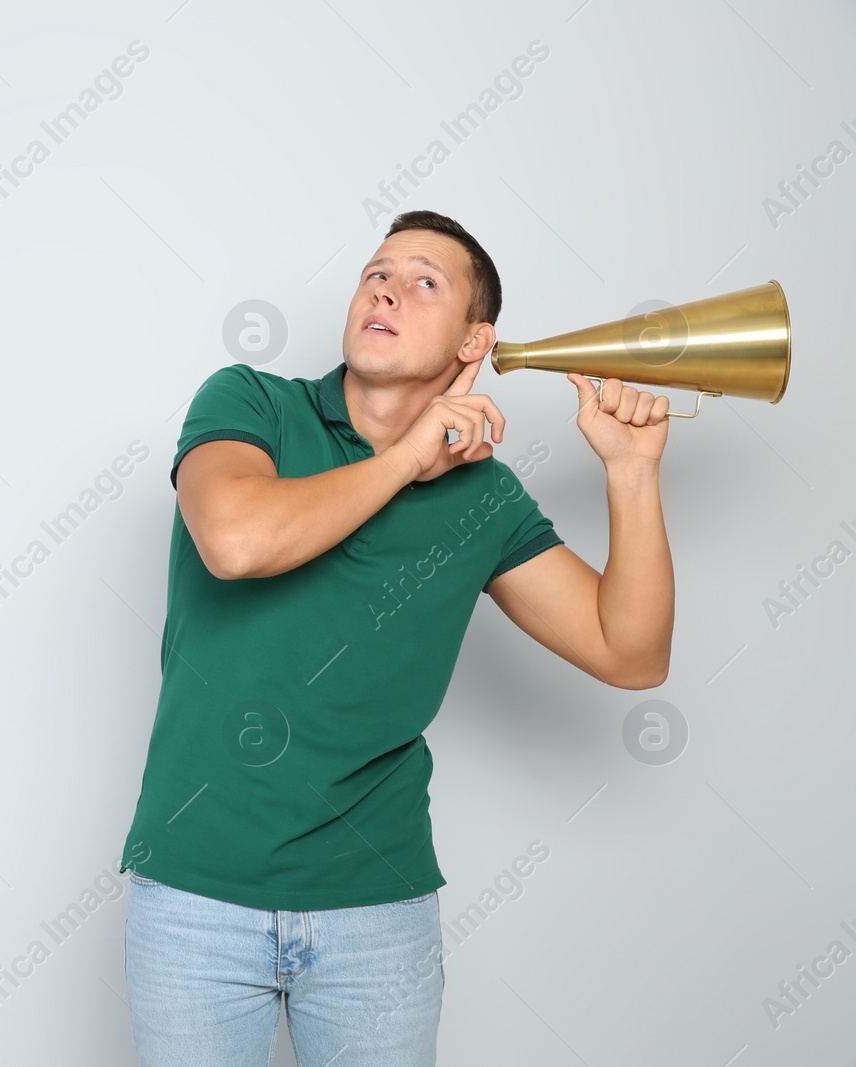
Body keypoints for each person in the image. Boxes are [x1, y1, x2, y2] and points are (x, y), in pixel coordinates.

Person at [117, 209, 674, 1065]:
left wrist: (632, 475)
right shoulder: (248, 402)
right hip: (197, 898)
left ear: (473, 341)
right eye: (376, 272)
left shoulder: (483, 501)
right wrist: (407, 459)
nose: (386, 287)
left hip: (378, 915)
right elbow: (236, 542)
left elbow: (630, 652)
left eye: (424, 282)